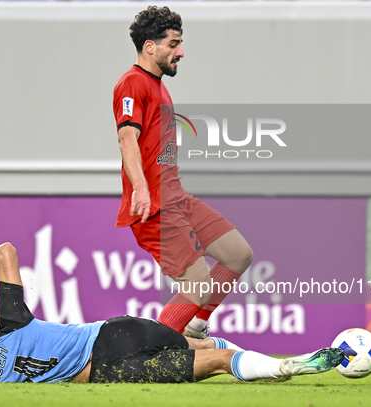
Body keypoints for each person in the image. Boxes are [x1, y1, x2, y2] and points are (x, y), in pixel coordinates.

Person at [0, 243, 344, 383]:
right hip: (117, 335)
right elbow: (6, 252)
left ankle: (280, 368)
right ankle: (268, 362)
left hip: (110, 375)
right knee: (202, 341)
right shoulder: (11, 322)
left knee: (216, 361)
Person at [113, 6, 254, 339]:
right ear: (150, 46)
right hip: (155, 208)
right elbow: (126, 137)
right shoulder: (132, 83)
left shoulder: (159, 86)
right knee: (197, 285)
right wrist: (141, 189)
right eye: (173, 43)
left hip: (177, 198)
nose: (181, 51)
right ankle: (151, 356)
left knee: (238, 254)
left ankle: (195, 325)